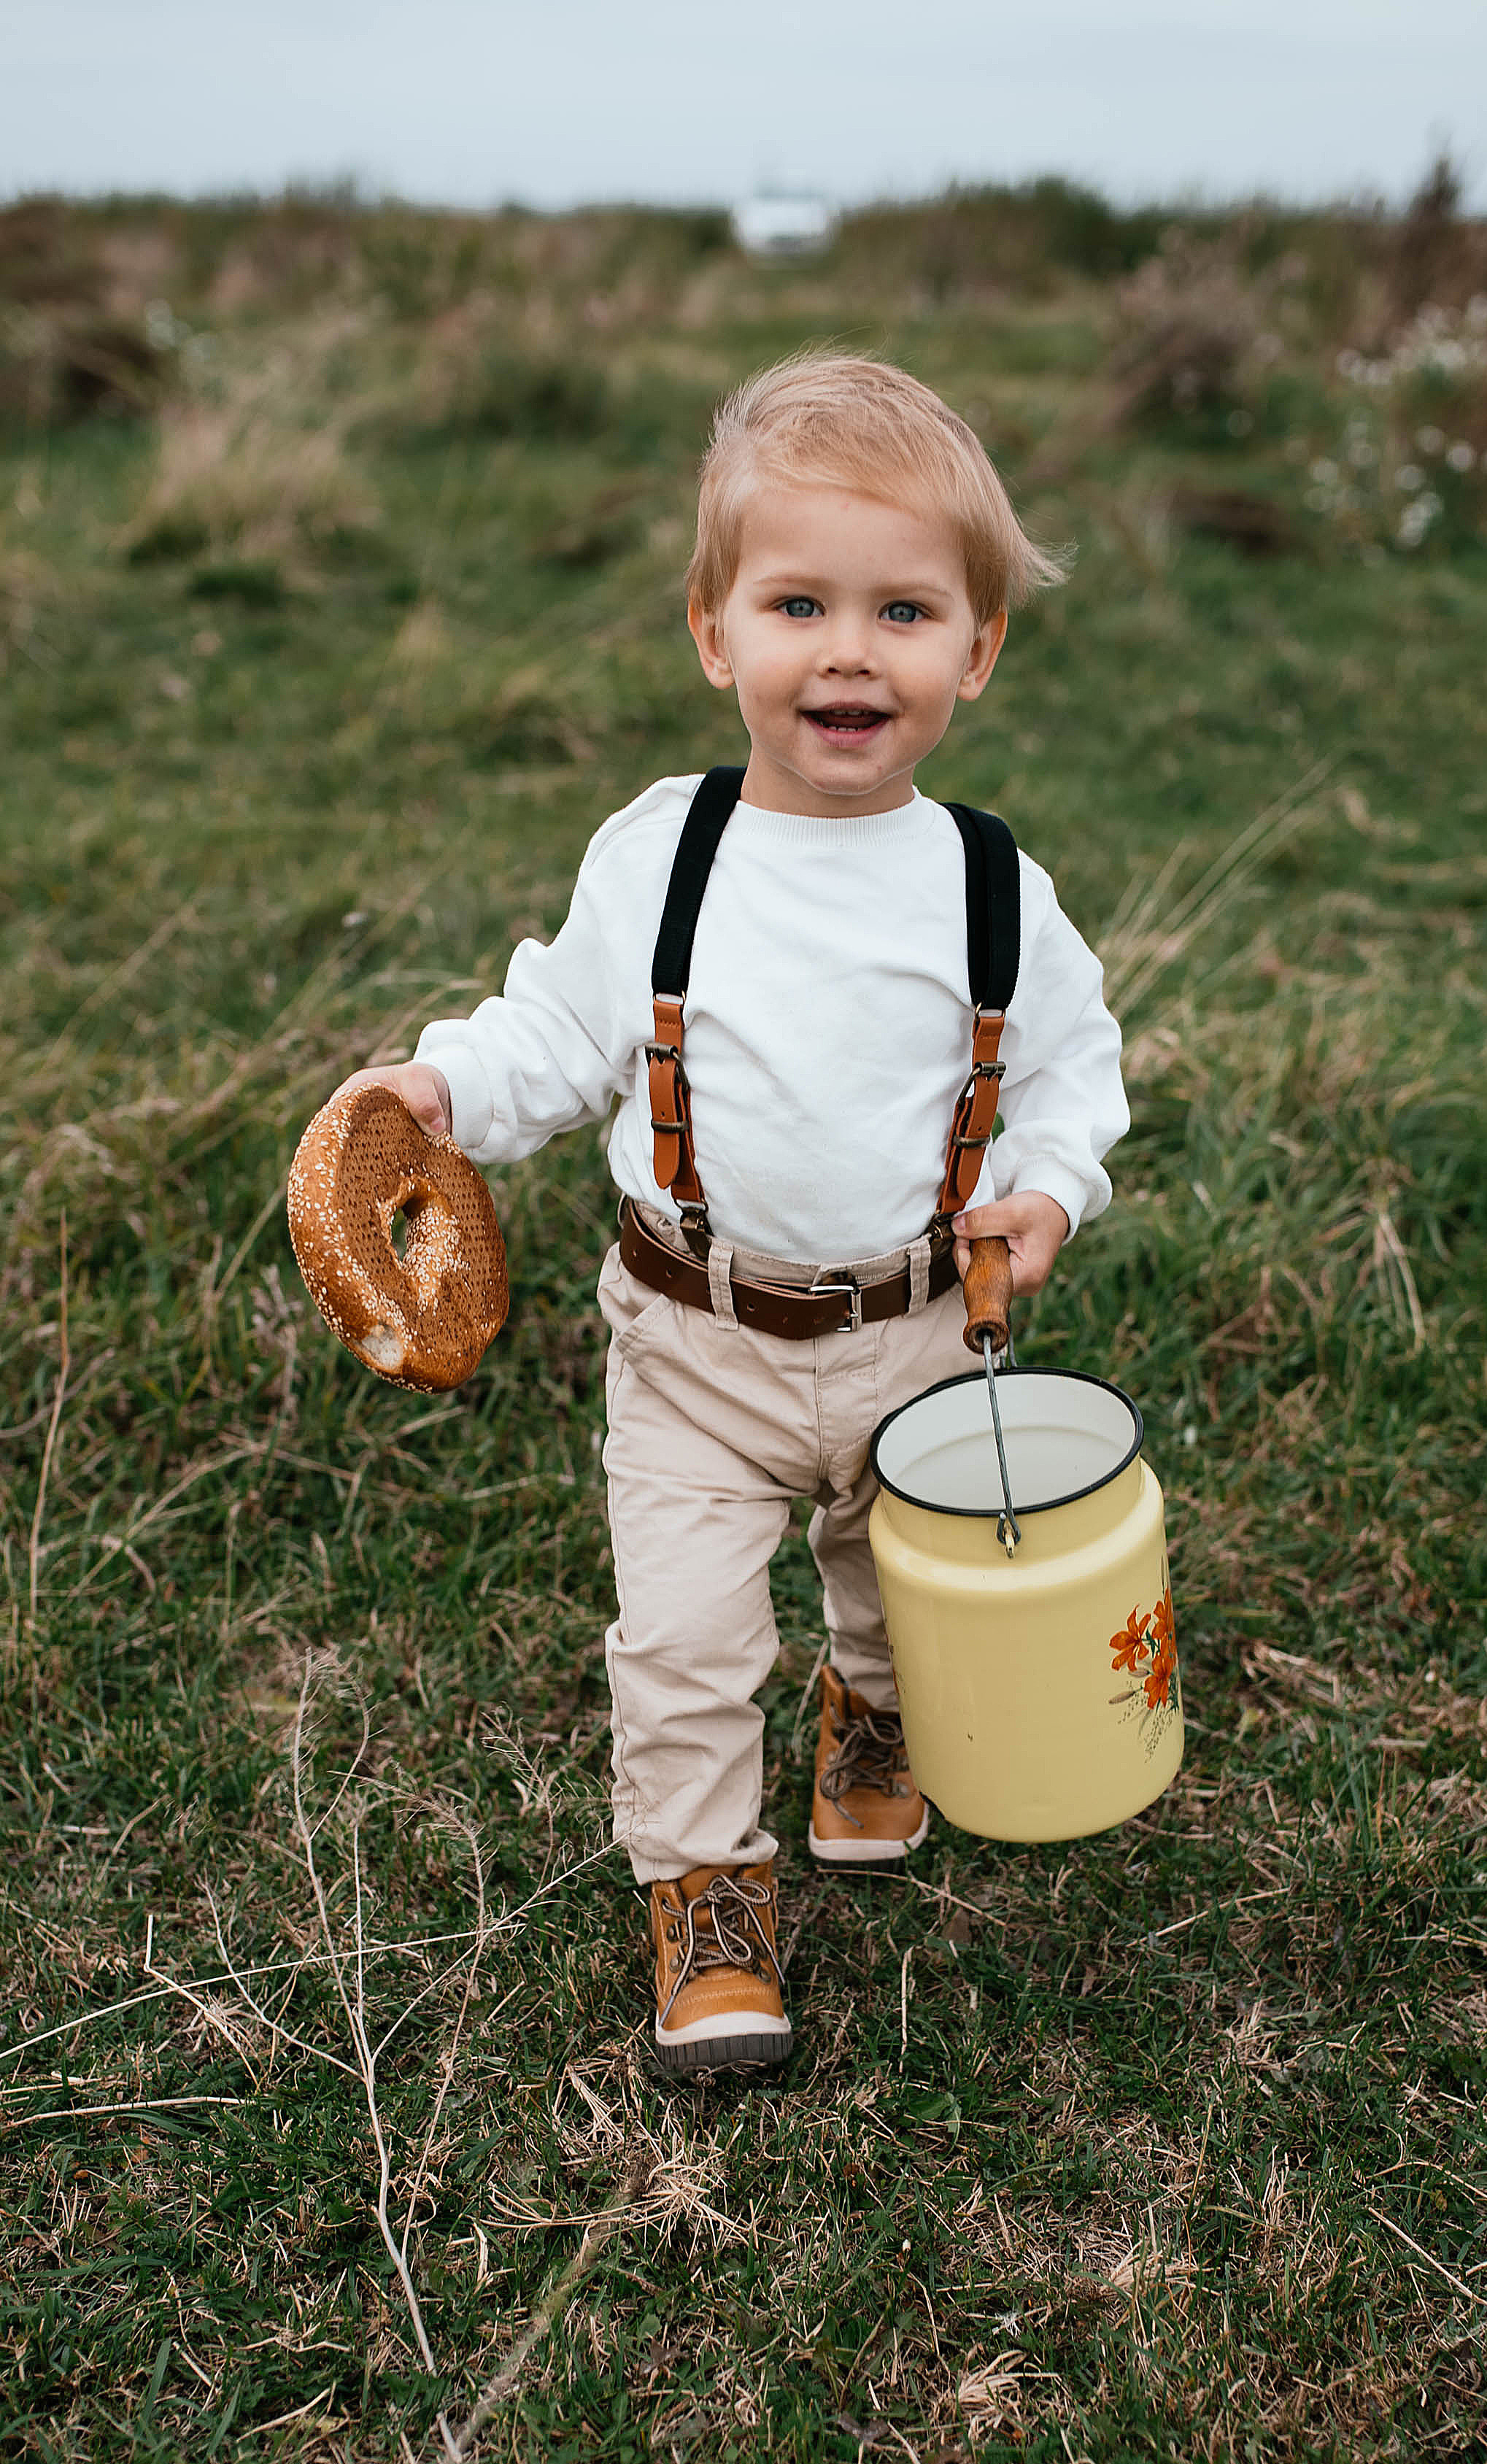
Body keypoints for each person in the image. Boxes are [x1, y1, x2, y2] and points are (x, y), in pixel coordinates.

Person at [331, 355, 1128, 2071]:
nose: (850, 653)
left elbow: (1074, 1065)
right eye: (797, 605)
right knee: (686, 1636)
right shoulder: (663, 858)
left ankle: (873, 1722)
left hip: (920, 1325)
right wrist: (449, 1088)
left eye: (904, 611)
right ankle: (704, 1893)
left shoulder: (989, 883)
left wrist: (1049, 1183)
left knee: (898, 1588)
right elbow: (558, 1032)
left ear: (977, 652)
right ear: (714, 633)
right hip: (695, 1339)